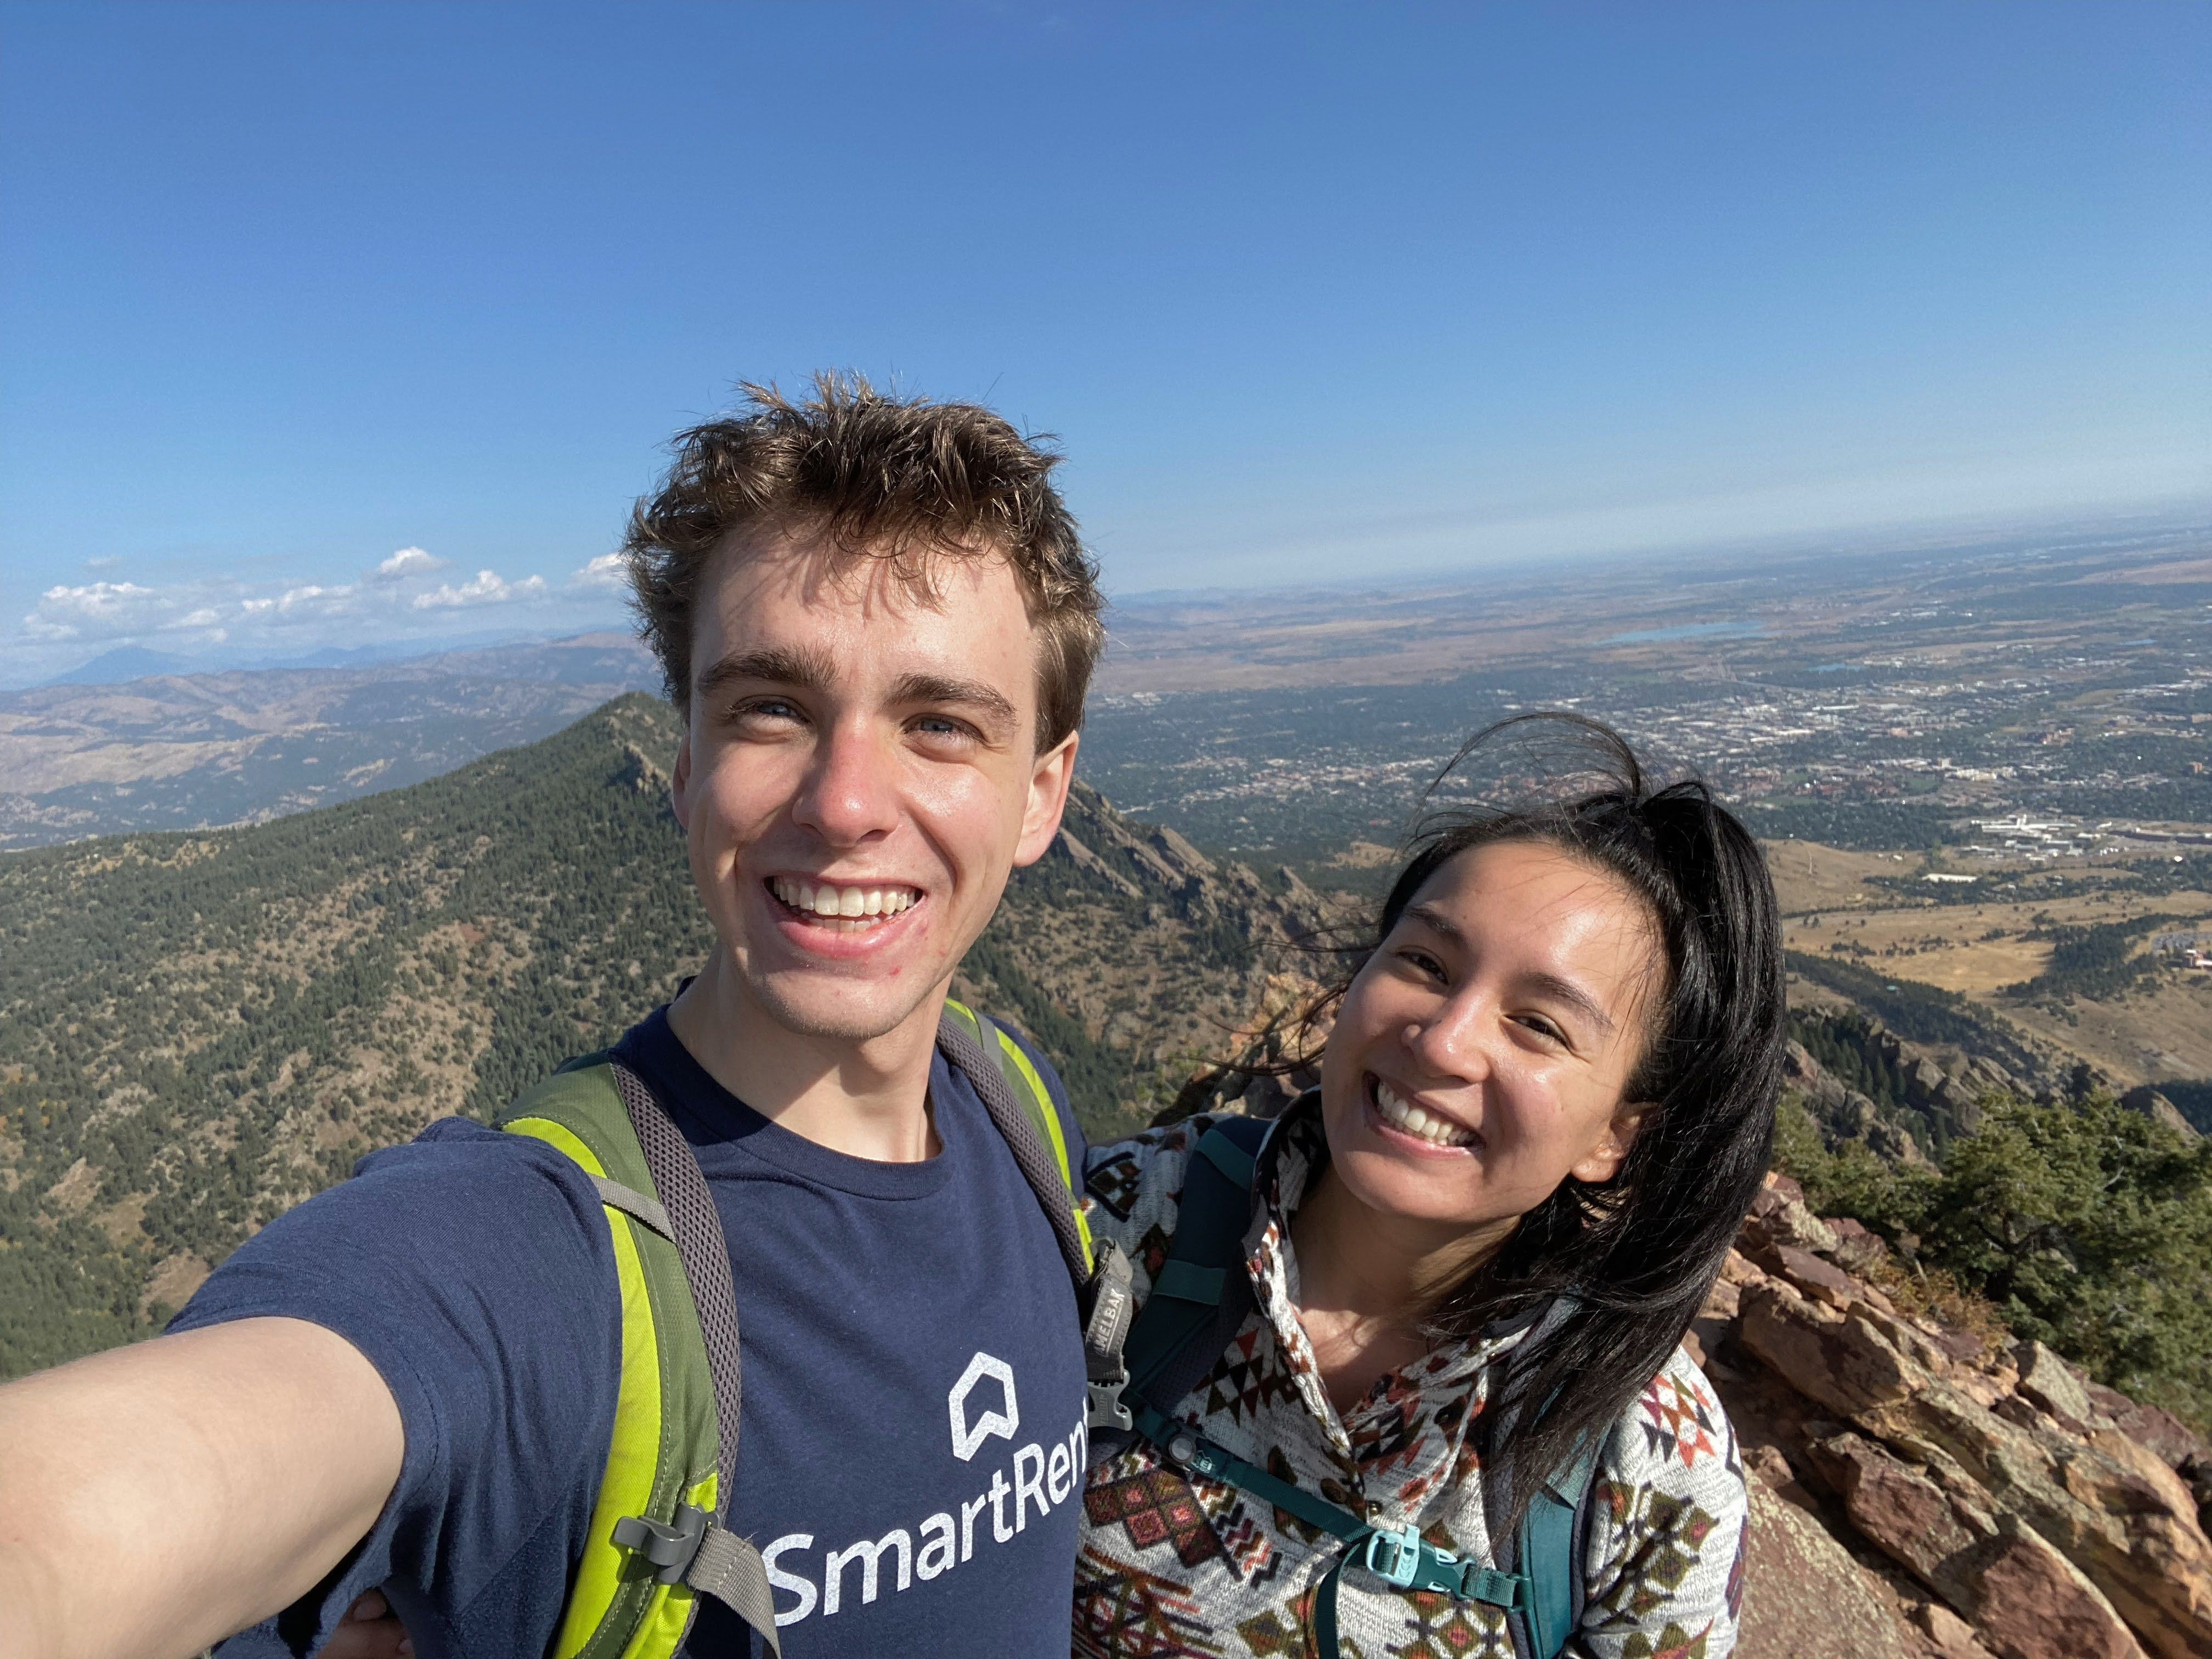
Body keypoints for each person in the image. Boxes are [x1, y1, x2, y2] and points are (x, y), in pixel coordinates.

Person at [0, 375, 1115, 1659]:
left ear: (1042, 794)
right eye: (771, 707)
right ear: (687, 764)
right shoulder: (539, 1255)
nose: (846, 800)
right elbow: (127, 1491)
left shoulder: (1017, 1110)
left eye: (938, 723)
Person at [1073, 715, 1776, 1658]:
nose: (1444, 1041)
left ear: (1615, 1135)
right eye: (1425, 964)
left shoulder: (1647, 1460)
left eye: (1538, 1025)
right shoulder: (1119, 1224)